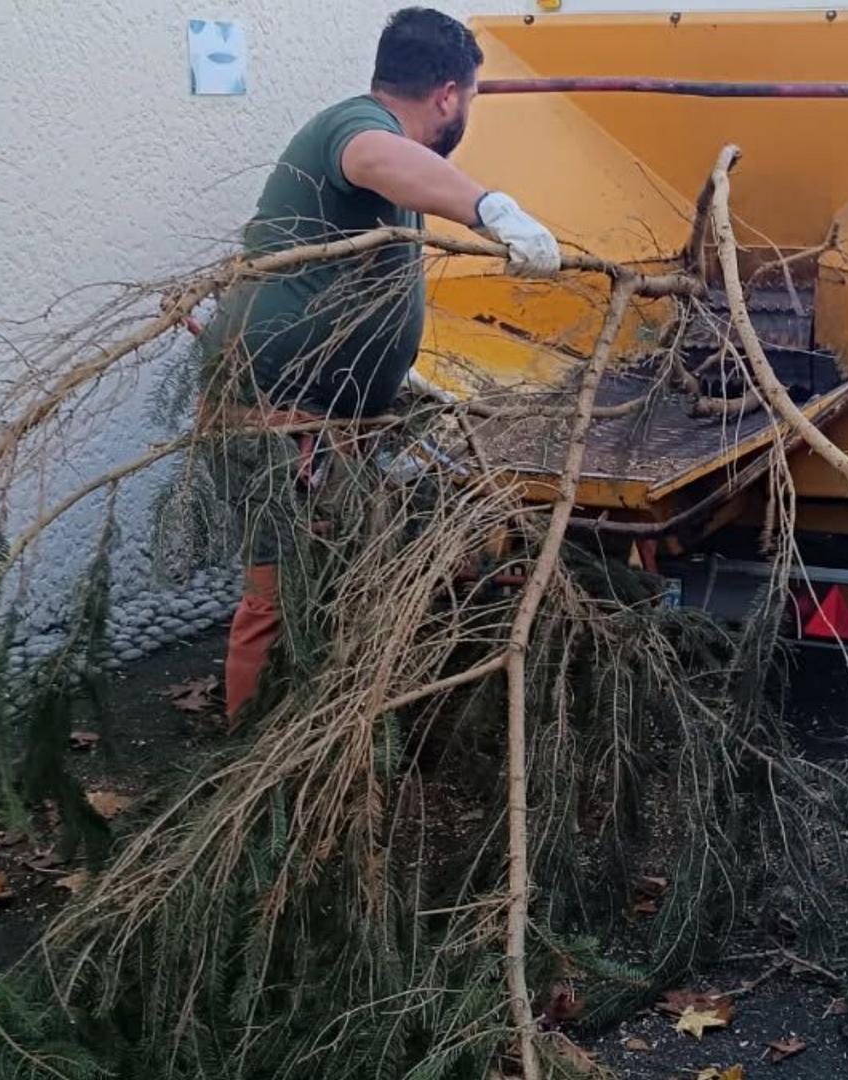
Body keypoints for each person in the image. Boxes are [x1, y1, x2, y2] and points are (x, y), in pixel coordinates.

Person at [204, 7, 561, 722]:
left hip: (328, 414)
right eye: (471, 99)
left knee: (338, 576)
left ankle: (329, 732)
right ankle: (256, 769)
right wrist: (493, 209)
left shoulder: (396, 163)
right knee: (282, 592)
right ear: (449, 95)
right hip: (277, 413)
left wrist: (395, 378)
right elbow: (374, 157)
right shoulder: (360, 128)